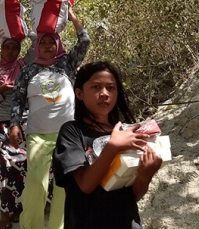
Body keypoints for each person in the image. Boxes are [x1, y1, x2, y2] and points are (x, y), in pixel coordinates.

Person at [53, 61, 163, 229]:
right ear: (79, 93)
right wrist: (112, 147)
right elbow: (86, 185)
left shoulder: (128, 133)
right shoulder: (72, 132)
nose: (104, 93)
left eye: (111, 88)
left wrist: (145, 176)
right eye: (96, 87)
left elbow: (131, 196)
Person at [9, 6, 90, 229]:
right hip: (38, 134)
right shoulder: (28, 70)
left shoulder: (67, 63)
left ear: (57, 45)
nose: (47, 46)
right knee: (36, 183)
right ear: (36, 47)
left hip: (68, 134)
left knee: (65, 186)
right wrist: (15, 125)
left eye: (51, 42)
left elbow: (84, 42)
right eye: (43, 43)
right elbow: (18, 99)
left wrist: (72, 17)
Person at [0, 34, 35, 229]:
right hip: (4, 123)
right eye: (7, 47)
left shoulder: (24, 65)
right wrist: (0, 91)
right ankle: (5, 213)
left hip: (27, 122)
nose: (11, 51)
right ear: (1, 49)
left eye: (15, 47)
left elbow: (38, 44)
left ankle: (20, 207)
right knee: (6, 167)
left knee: (27, 165)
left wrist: (25, 31)